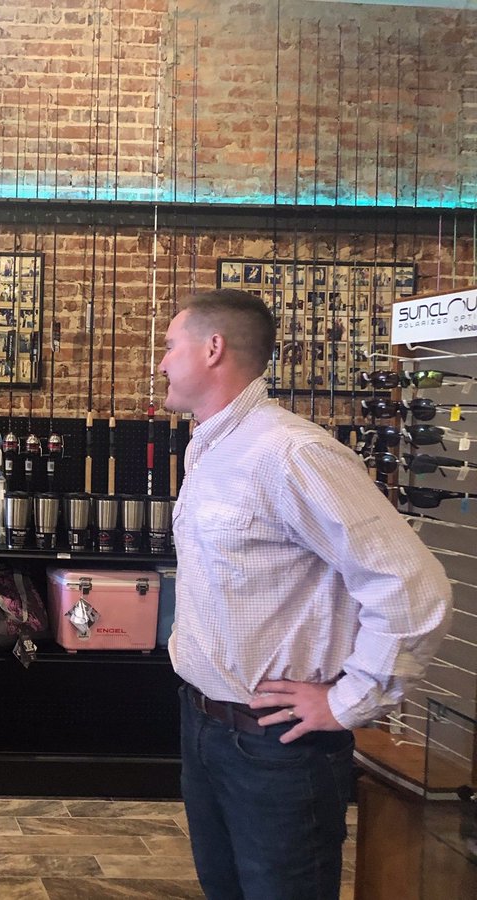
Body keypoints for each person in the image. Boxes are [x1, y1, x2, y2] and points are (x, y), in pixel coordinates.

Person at [159, 288, 452, 900]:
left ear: (212, 349)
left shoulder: (293, 454)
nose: (161, 363)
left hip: (279, 747)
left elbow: (411, 586)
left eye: (169, 346)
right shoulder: (210, 449)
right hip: (204, 727)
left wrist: (348, 701)